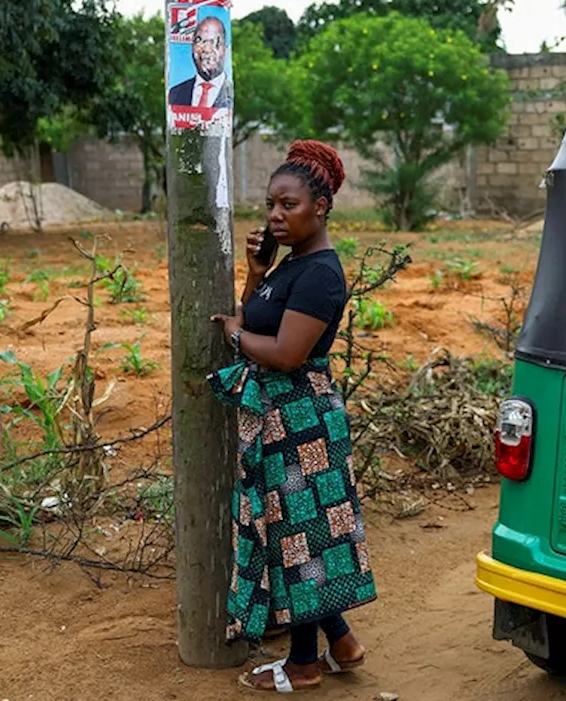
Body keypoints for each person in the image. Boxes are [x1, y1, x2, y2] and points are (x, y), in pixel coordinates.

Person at [209, 140, 374, 693]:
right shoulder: (290, 266)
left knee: (298, 536)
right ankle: (342, 641)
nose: (276, 216)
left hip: (302, 420)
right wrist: (257, 273)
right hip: (281, 416)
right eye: (271, 205)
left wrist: (235, 334)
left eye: (290, 205)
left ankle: (303, 663)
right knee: (298, 531)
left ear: (321, 207)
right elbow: (250, 313)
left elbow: (284, 352)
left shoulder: (321, 274)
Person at [168, 16, 233, 108]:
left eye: (215, 43)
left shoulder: (235, 93)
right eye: (199, 41)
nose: (207, 49)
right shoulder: (175, 93)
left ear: (226, 50)